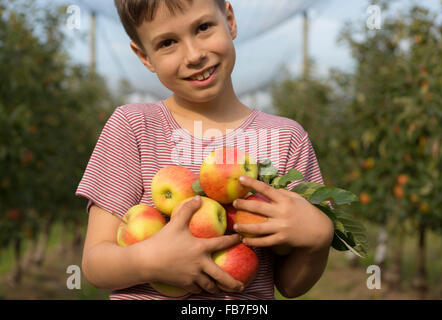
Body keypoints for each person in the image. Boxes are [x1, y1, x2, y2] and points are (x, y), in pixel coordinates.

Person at [76, 0, 334, 300]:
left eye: (203, 27)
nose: (195, 55)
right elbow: (95, 264)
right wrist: (150, 260)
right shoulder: (133, 127)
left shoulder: (285, 138)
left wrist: (318, 238)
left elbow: (290, 286)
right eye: (168, 42)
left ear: (229, 19)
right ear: (144, 56)